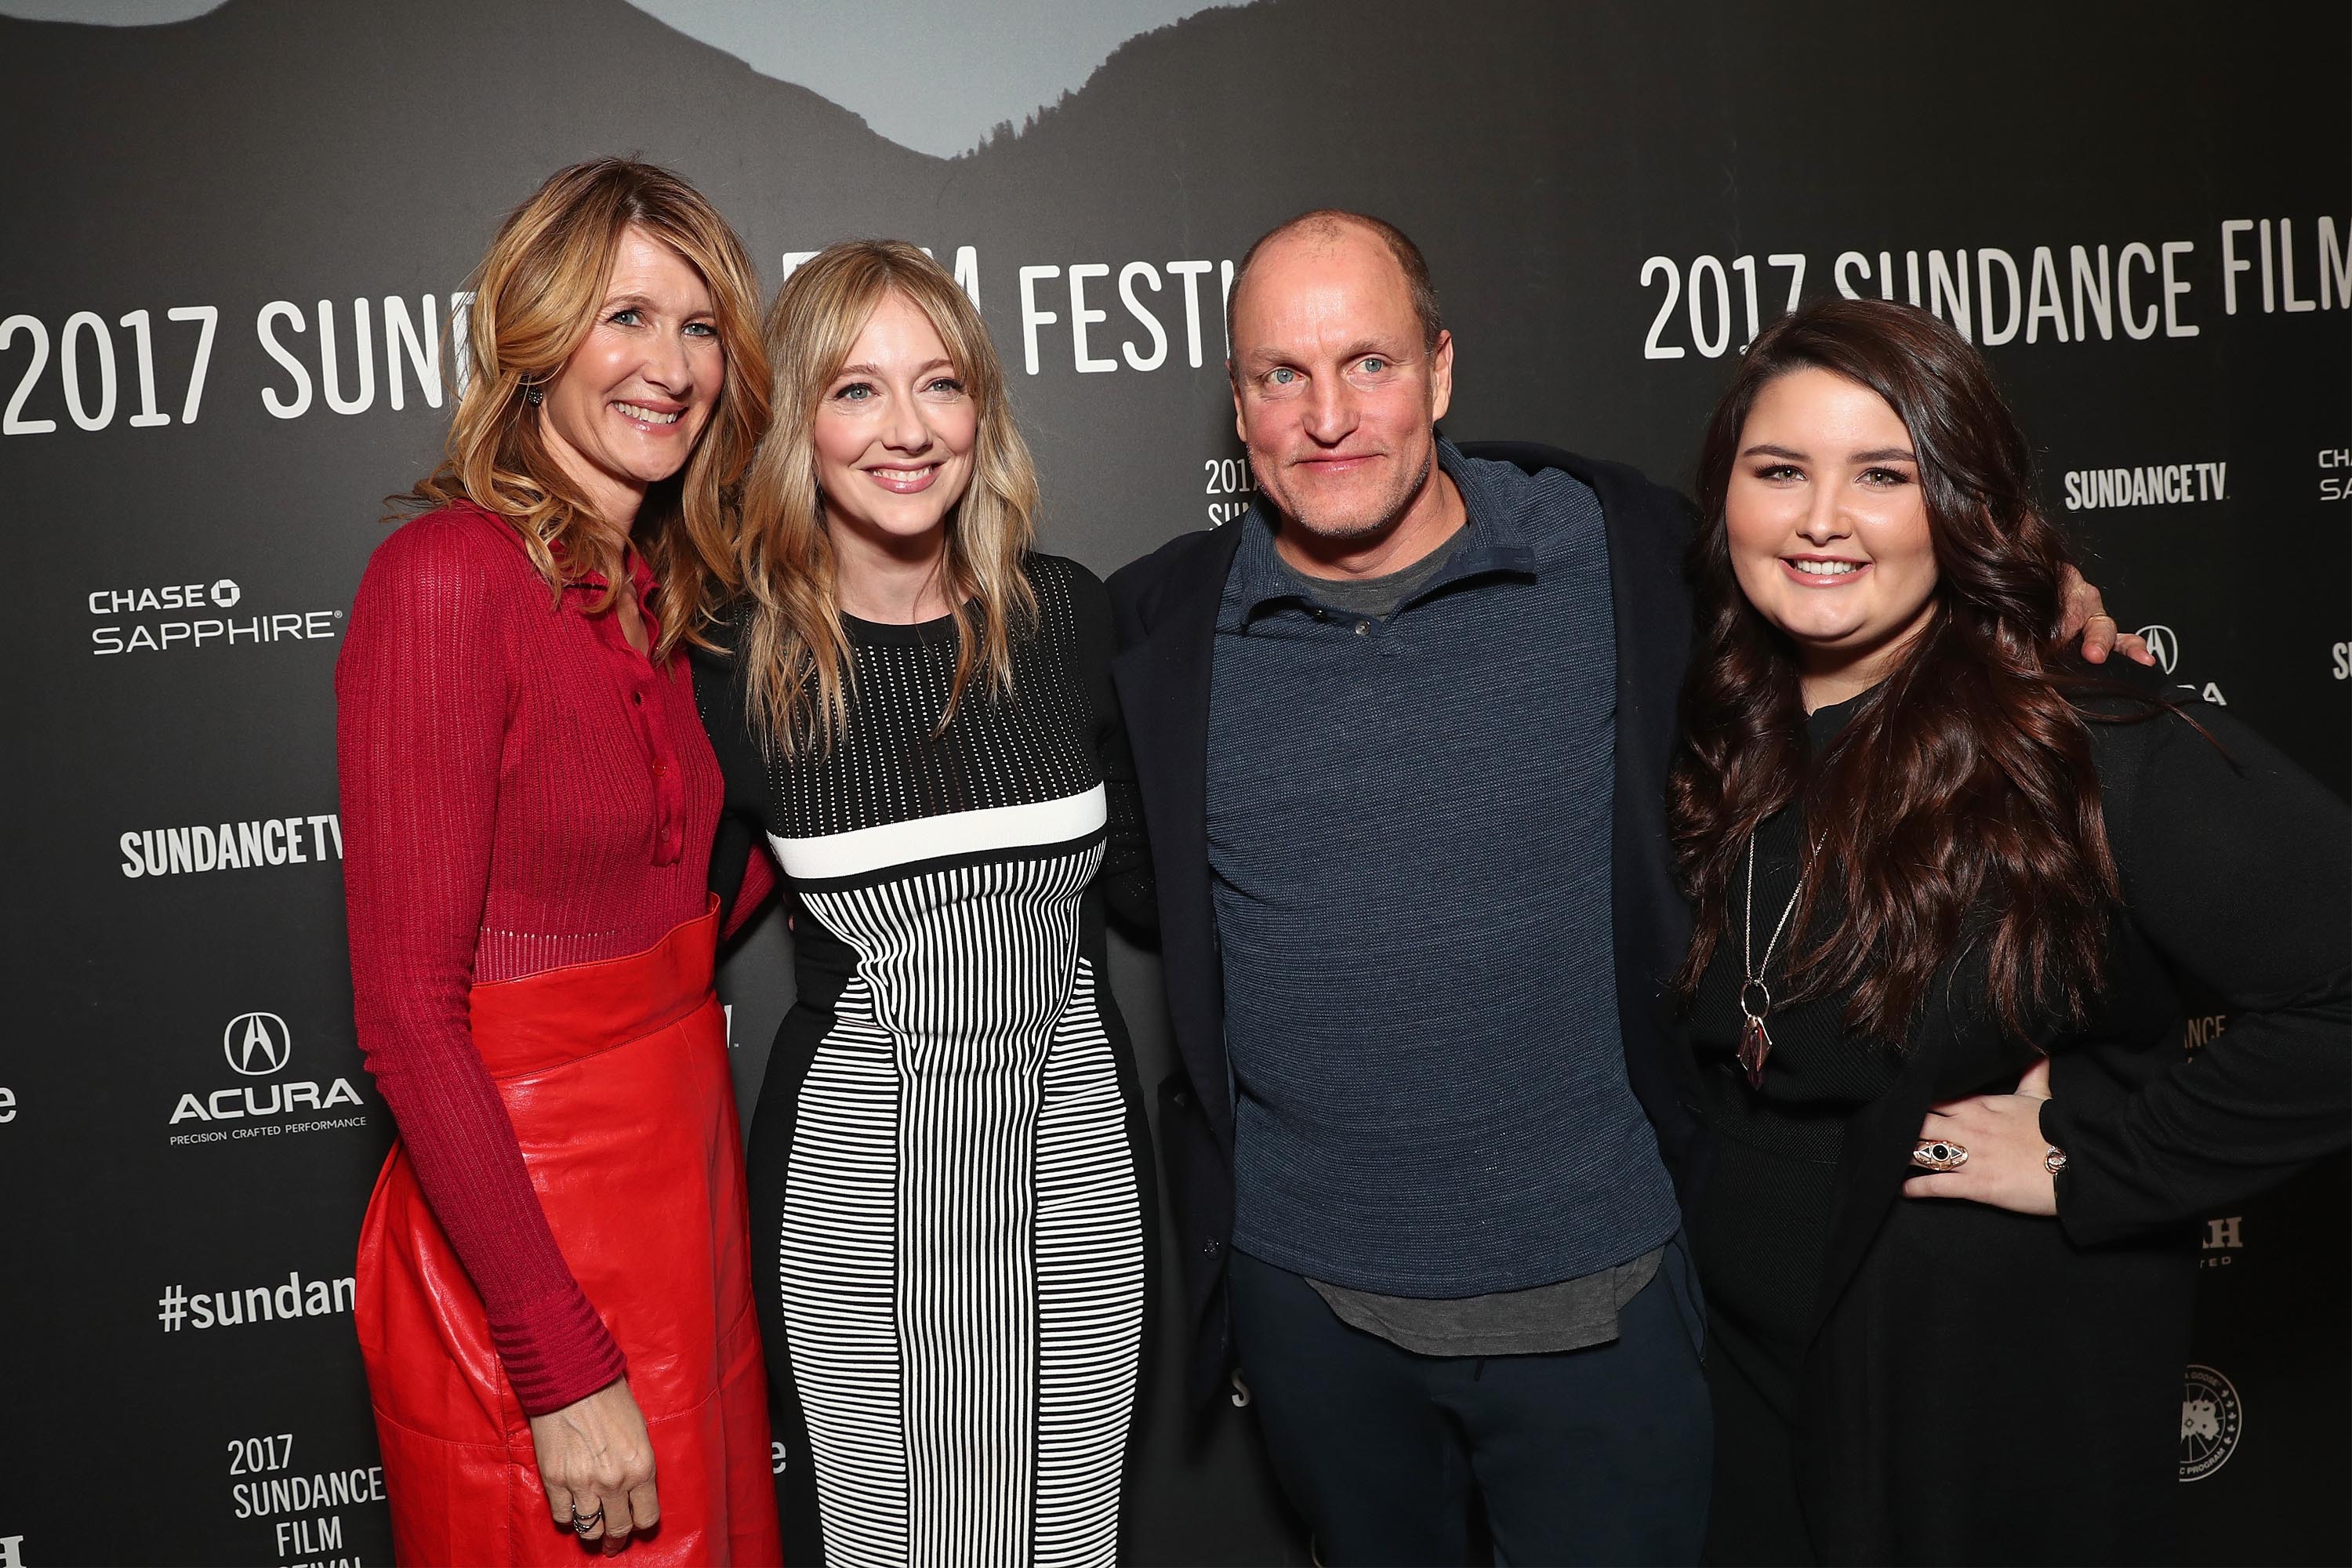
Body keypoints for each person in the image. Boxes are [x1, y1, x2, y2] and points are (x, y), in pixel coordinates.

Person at [1105, 211, 2145, 1565]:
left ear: (1441, 369)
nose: (1327, 415)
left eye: (1367, 364)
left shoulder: (1617, 549)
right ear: (1237, 402)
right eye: (1279, 376)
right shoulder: (1160, 625)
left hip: (1608, 1296)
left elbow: (1834, 575)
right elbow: (1130, 874)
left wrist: (2020, 594)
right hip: (1312, 1315)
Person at [1671, 296, 2350, 1566]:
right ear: (1724, 500)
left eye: (1884, 474)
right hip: (1743, 1401)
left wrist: (2096, 1159)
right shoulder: (1711, 722)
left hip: (1979, 1421)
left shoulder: (2082, 739)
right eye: (1780, 472)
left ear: (1960, 501)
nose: (1822, 518)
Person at [337, 158, 781, 1566]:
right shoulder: (445, 581)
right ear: (535, 341)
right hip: (528, 1243)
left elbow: (669, 900)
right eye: (625, 318)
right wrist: (559, 1358)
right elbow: (410, 1018)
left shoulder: (658, 592)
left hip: (679, 1217)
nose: (671, 365)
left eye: (700, 326)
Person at [696, 239, 1155, 1566]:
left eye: (939, 386)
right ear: (796, 426)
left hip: (1076, 1184)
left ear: (981, 413)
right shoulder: (739, 662)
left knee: (1065, 1541)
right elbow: (654, 936)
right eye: (855, 391)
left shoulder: (1063, 618)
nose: (907, 432)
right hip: (863, 1203)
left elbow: (1154, 885)